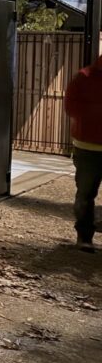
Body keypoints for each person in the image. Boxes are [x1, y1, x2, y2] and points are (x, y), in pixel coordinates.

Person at [64, 53, 102, 252]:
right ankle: (84, 237)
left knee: (85, 193)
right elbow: (71, 107)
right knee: (86, 194)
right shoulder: (84, 77)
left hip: (87, 145)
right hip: (88, 146)